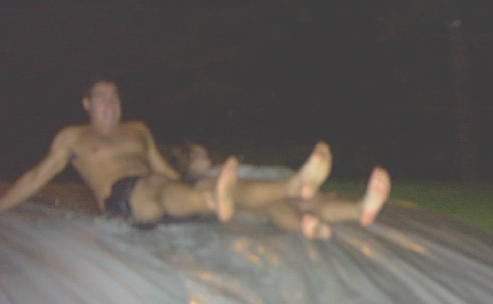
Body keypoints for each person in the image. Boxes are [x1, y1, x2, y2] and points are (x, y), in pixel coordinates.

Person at [0, 79, 333, 229]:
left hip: (162, 194)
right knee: (157, 187)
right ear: (87, 104)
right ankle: (210, 200)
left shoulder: (138, 129)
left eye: (115, 97)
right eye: (101, 97)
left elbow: (164, 171)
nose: (110, 104)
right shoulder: (73, 136)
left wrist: (196, 180)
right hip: (124, 206)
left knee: (205, 185)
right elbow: (36, 177)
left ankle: (291, 187)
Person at [175, 143, 391, 239]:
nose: (206, 157)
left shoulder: (223, 168)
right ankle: (303, 224)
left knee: (312, 199)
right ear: (186, 166)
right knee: (276, 205)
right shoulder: (200, 182)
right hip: (255, 202)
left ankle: (360, 209)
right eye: (198, 156)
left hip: (270, 186)